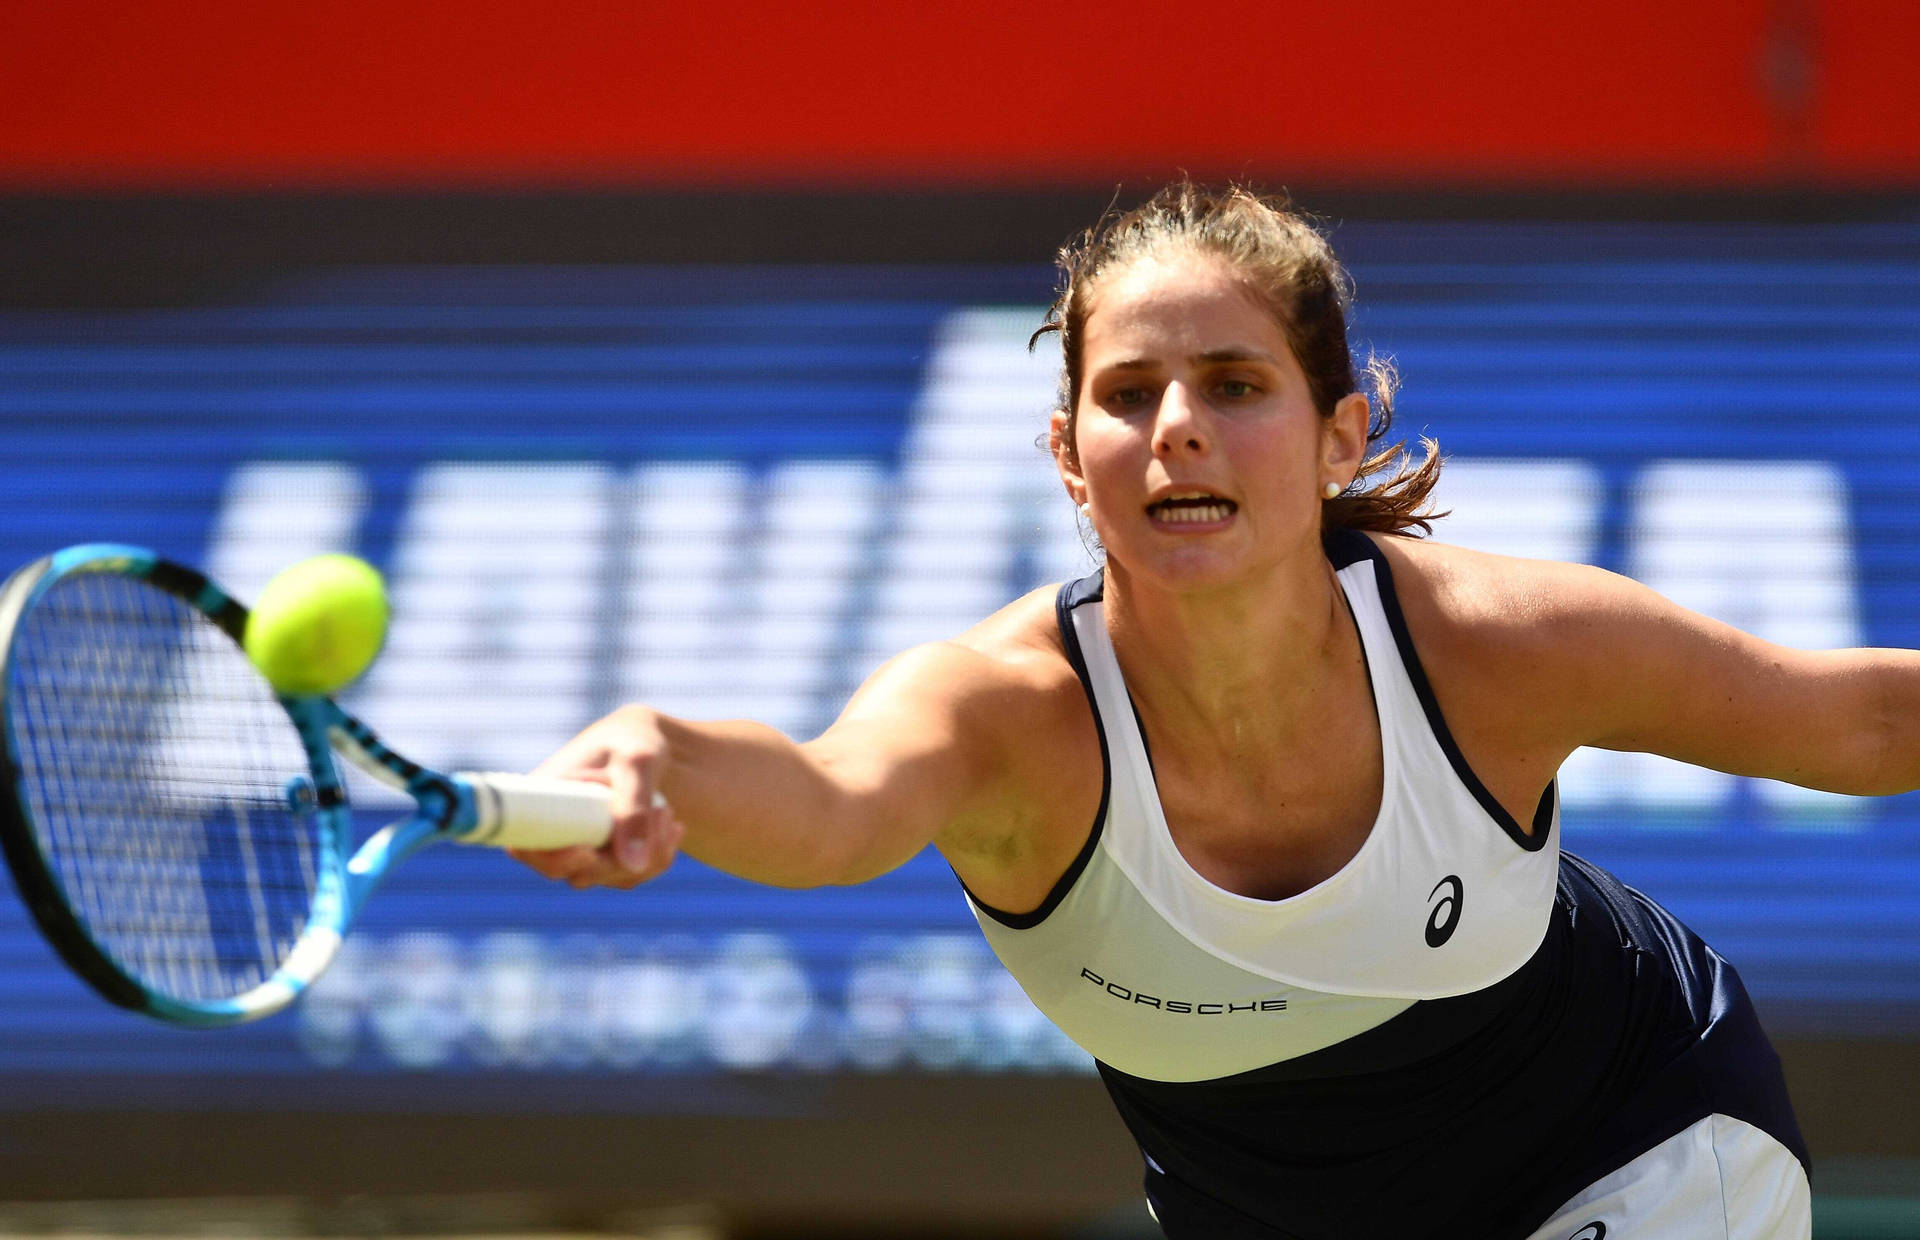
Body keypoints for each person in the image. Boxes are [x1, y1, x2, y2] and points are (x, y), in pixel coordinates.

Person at [508, 182, 1870, 1238]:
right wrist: (661, 756)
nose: (1176, 426)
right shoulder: (1004, 716)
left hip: (1645, 1141)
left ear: (1340, 433)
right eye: (1127, 393)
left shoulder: (1496, 647)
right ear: (1066, 453)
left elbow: (1853, 724)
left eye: (1233, 384)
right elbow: (829, 806)